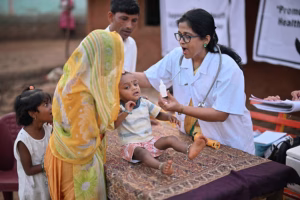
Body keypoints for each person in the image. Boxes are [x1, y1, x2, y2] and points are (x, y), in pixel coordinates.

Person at [132, 9, 255, 154]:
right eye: (180, 35)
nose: (181, 42)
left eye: (188, 36)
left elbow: (221, 114)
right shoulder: (176, 57)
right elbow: (147, 78)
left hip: (229, 144)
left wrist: (180, 108)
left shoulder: (227, 67)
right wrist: (118, 74)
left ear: (206, 40)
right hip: (192, 139)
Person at [44, 30, 124, 199]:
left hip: (59, 149)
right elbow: (85, 140)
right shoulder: (83, 95)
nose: (111, 66)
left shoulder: (71, 76)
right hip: (76, 162)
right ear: (98, 57)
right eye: (109, 59)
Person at [114, 72, 207, 175]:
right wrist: (126, 112)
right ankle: (161, 166)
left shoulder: (144, 102)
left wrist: (168, 117)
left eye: (135, 84)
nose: (134, 88)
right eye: (127, 87)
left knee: (170, 139)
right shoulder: (119, 108)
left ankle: (189, 150)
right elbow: (114, 125)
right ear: (117, 94)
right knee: (142, 153)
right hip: (132, 146)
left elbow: (157, 114)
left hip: (149, 142)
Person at [13, 86, 52, 200]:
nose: (51, 107)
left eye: (50, 103)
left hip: (47, 187)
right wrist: (51, 164)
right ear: (33, 113)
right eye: (46, 105)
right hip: (33, 192)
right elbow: (29, 170)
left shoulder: (48, 129)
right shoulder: (24, 140)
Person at [106, 0, 139, 72]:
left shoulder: (131, 44)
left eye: (134, 20)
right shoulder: (95, 42)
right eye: (124, 19)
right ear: (111, 17)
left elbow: (129, 77)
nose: (129, 26)